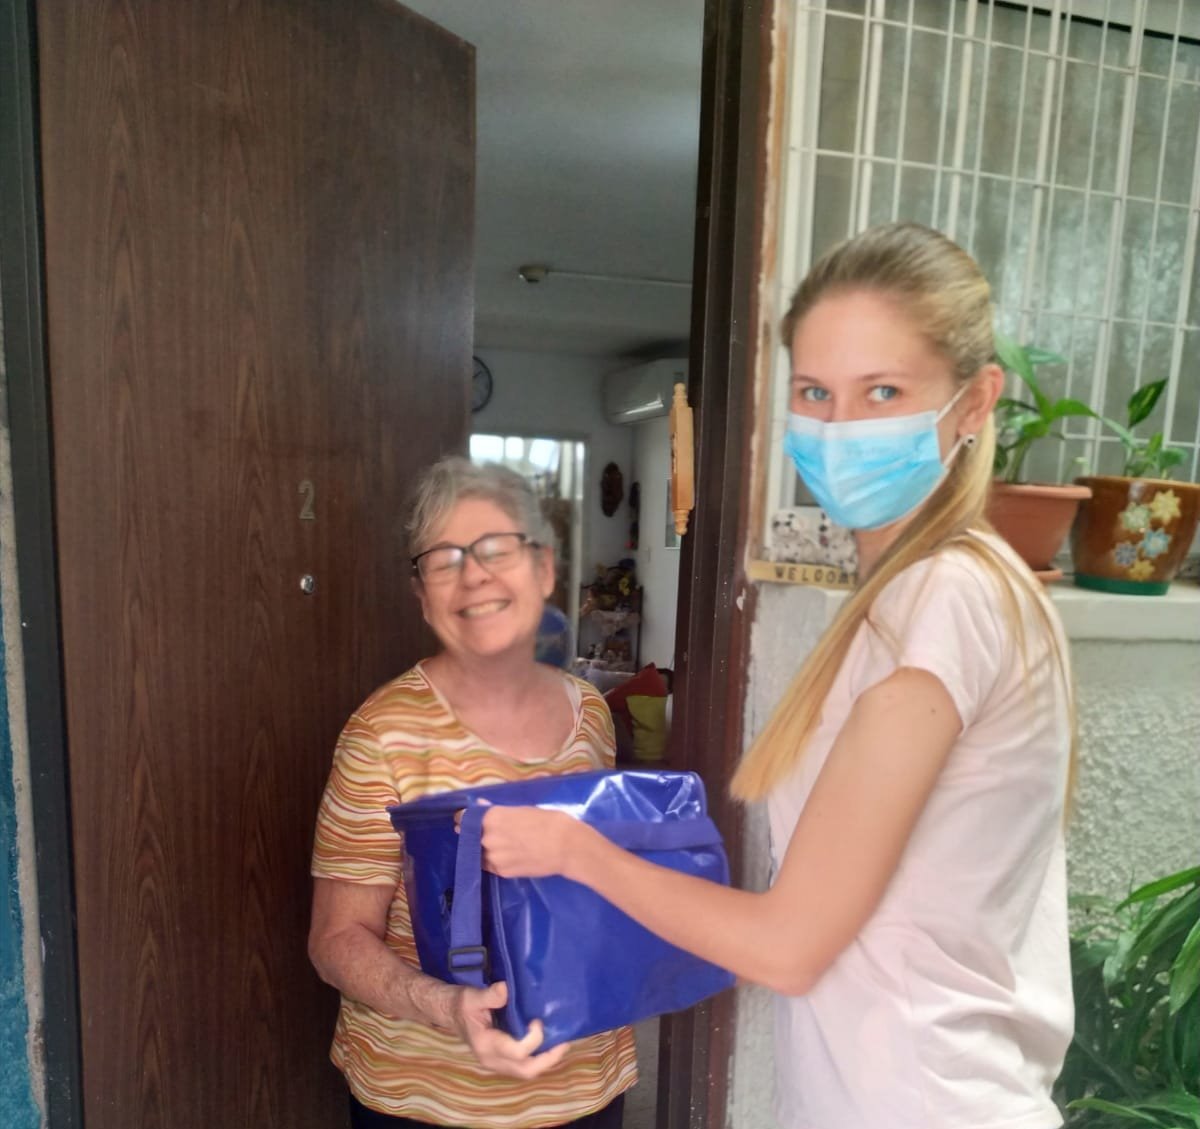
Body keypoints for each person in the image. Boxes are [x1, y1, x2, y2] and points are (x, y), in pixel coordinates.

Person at [480, 222, 1076, 1129]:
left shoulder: (946, 601)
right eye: (815, 392)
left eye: (883, 391)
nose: (839, 428)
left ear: (975, 401)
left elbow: (787, 946)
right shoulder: (929, 592)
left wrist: (573, 850)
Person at [308, 458, 637, 1129]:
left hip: (584, 1085)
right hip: (427, 1098)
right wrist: (445, 1006)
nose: (474, 575)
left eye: (498, 548)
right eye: (444, 558)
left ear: (544, 569)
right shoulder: (383, 733)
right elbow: (336, 938)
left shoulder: (591, 714)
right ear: (422, 594)